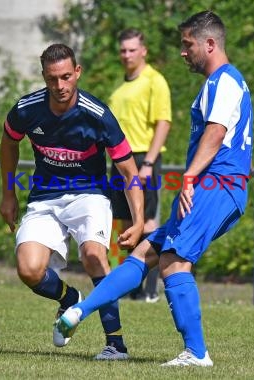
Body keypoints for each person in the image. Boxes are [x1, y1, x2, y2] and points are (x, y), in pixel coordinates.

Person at [55, 10, 253, 367]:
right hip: (211, 183)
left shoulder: (225, 80)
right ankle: (78, 313)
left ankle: (196, 353)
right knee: (146, 250)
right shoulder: (217, 83)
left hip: (219, 182)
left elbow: (216, 133)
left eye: (187, 44)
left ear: (210, 44)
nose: (183, 51)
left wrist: (189, 176)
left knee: (174, 261)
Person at [0, 43, 144, 360]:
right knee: (29, 269)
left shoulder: (98, 116)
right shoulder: (27, 109)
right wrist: (8, 193)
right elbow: (9, 141)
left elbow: (128, 169)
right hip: (44, 199)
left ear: (77, 72)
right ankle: (69, 297)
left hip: (89, 196)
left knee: (93, 256)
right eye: (52, 79)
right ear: (43, 77)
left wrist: (139, 220)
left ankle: (115, 344)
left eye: (66, 77)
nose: (60, 86)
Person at [108, 28, 172, 303]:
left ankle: (149, 289)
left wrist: (148, 162)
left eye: (132, 49)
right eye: (123, 50)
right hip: (119, 160)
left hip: (143, 157)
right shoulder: (120, 88)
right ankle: (128, 284)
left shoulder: (154, 81)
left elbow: (163, 122)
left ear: (143, 50)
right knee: (122, 222)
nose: (127, 55)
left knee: (146, 220)